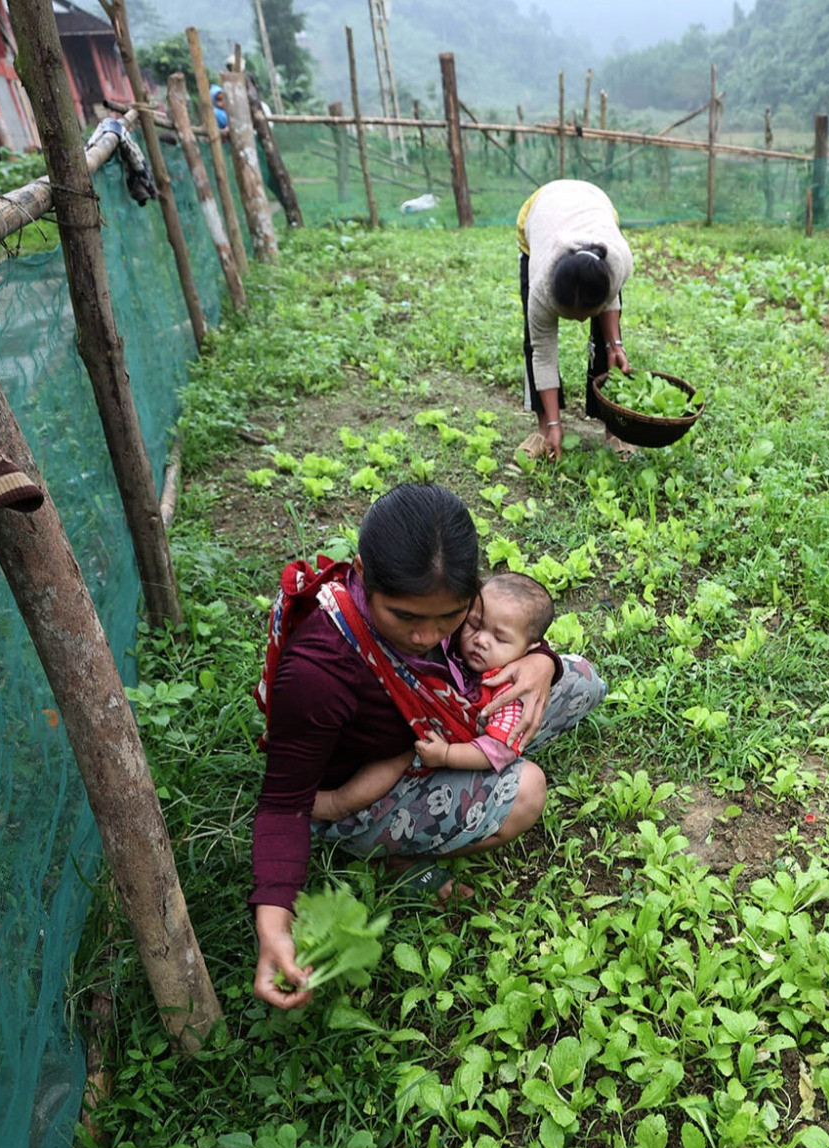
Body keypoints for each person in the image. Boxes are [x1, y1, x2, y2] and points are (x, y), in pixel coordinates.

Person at [250, 485, 606, 1009]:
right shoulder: (321, 670)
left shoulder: (449, 612)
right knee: (526, 789)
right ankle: (399, 858)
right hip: (361, 789)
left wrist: (541, 663)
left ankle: (480, 743)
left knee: (579, 680)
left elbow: (516, 640)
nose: (425, 636)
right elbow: (283, 803)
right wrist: (274, 922)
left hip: (436, 724)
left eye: (451, 617)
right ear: (364, 574)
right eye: (406, 617)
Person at [516, 179, 636, 461]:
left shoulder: (618, 261)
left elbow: (611, 301)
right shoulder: (541, 288)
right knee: (533, 343)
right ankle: (547, 428)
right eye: (574, 315)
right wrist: (558, 426)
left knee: (607, 347)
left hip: (596, 207)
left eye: (588, 312)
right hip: (541, 212)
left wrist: (615, 345)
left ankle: (613, 428)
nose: (582, 321)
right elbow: (544, 355)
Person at [415, 571, 555, 772]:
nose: (481, 640)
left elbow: (497, 750)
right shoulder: (453, 631)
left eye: (500, 639)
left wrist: (447, 755)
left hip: (461, 751)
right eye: (474, 624)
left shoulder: (513, 695)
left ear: (529, 649)